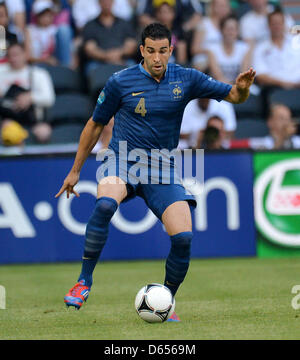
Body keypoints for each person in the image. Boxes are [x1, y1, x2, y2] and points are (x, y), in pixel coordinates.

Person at [55, 23, 255, 319]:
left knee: (184, 237)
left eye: (163, 51)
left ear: (171, 51)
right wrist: (75, 171)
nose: (157, 58)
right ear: (142, 51)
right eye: (151, 51)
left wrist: (243, 89)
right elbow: (95, 125)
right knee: (106, 203)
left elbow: (235, 98)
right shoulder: (120, 81)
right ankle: (83, 281)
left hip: (161, 167)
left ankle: (165, 300)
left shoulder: (186, 78)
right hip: (121, 159)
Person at [0, 42, 55, 144]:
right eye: (9, 55)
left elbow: (49, 98)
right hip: (9, 119)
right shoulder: (1, 72)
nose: (13, 59)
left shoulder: (38, 74)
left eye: (16, 55)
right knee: (10, 132)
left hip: (34, 120)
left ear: (25, 54)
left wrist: (31, 98)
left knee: (44, 133)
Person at [82, 0, 137, 73]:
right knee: (91, 68)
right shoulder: (90, 25)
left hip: (123, 60)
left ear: (113, 2)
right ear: (99, 3)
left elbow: (132, 44)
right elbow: (89, 48)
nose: (106, 3)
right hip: (99, 62)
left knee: (133, 66)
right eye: (103, 1)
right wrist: (107, 56)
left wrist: (119, 53)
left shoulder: (124, 23)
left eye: (109, 0)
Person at [253, 8, 300, 90]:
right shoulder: (260, 48)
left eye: (279, 23)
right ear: (268, 25)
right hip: (275, 89)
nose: (277, 26)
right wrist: (283, 83)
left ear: (284, 24)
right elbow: (260, 76)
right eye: (274, 23)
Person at [207, 15, 251, 84]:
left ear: (238, 31)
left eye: (233, 29)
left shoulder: (244, 48)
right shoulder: (212, 48)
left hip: (239, 86)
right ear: (221, 30)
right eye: (227, 29)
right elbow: (218, 76)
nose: (230, 32)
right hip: (218, 86)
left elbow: (243, 75)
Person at [191, 0, 231, 71]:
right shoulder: (204, 23)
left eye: (225, 6)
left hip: (224, 61)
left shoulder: (230, 24)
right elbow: (194, 49)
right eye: (220, 6)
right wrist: (210, 51)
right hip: (204, 61)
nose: (223, 9)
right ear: (213, 7)